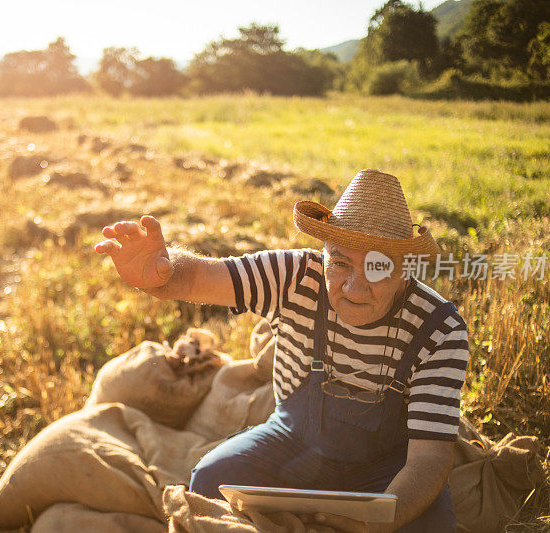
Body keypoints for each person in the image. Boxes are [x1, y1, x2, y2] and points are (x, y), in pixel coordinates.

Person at [94, 169, 469, 533]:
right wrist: (162, 273)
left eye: (377, 267)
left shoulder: (440, 329)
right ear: (323, 253)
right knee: (211, 478)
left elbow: (429, 458)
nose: (355, 289)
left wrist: (383, 520)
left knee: (430, 522)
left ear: (406, 268)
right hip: (291, 444)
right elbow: (196, 277)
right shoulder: (292, 277)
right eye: (340, 262)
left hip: (388, 468)